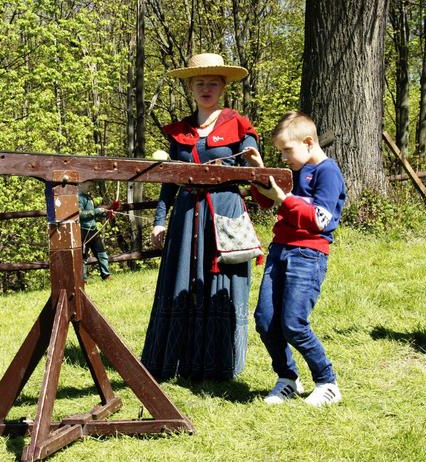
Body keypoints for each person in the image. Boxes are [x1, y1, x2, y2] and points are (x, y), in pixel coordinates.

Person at [140, 53, 260, 381]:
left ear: (222, 87)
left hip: (224, 214)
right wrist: (160, 219)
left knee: (223, 284)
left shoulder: (239, 124)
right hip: (187, 216)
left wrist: (253, 164)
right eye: (199, 83)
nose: (206, 88)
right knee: (181, 283)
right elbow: (169, 181)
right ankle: (175, 362)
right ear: (190, 88)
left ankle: (220, 364)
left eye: (212, 83)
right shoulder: (180, 131)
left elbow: (256, 170)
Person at [244, 111, 346, 406]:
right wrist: (259, 171)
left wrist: (284, 199)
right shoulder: (297, 171)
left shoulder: (328, 172)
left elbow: (319, 219)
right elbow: (266, 200)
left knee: (293, 323)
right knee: (265, 320)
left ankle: (327, 382)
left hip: (308, 254)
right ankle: (287, 378)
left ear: (309, 141)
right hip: (280, 251)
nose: (285, 157)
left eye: (287, 150)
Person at [78, 181, 118, 282]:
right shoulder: (79, 198)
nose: (91, 187)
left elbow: (93, 213)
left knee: (102, 253)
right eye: (89, 185)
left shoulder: (88, 197)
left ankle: (106, 275)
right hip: (82, 231)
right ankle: (83, 280)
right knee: (83, 257)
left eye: (91, 185)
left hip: (93, 230)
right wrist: (97, 211)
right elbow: (80, 214)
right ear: (81, 184)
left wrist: (107, 214)